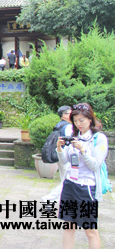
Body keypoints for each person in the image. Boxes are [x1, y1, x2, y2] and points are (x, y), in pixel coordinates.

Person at [56, 103, 107, 248]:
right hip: (70, 185)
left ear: (90, 119)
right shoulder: (73, 136)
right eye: (75, 121)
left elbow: (95, 165)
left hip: (86, 188)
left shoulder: (99, 138)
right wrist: (59, 147)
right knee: (68, 227)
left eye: (81, 120)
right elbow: (65, 161)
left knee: (90, 230)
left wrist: (83, 150)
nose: (78, 124)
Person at [41, 106, 73, 202]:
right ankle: (49, 199)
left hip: (59, 153)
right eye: (70, 113)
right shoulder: (68, 126)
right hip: (65, 156)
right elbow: (69, 141)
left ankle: (61, 199)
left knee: (65, 179)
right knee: (68, 181)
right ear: (64, 115)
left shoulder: (59, 125)